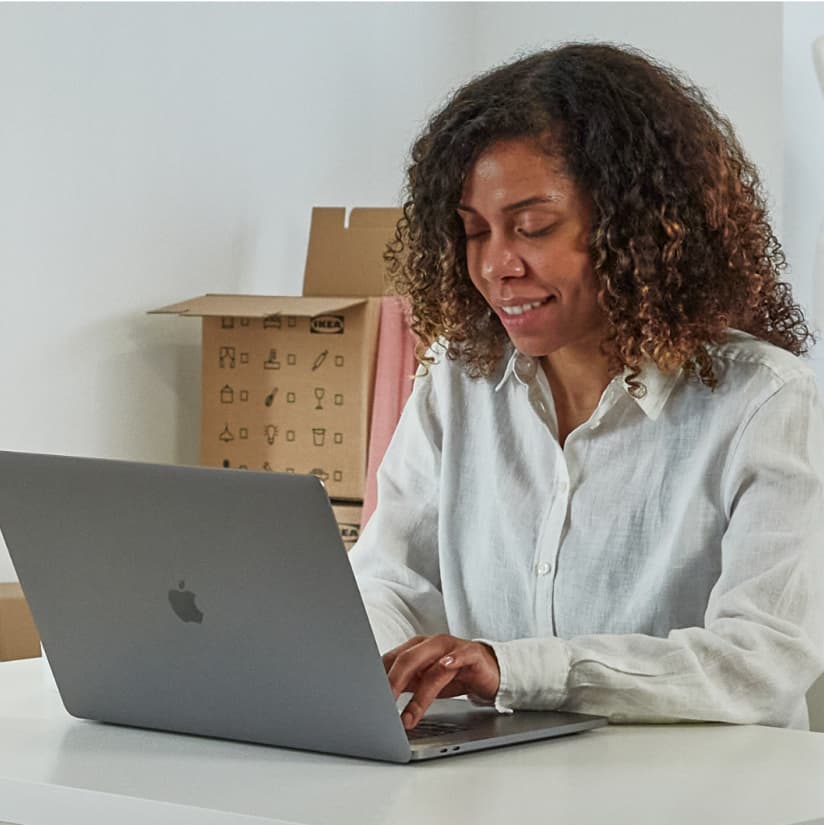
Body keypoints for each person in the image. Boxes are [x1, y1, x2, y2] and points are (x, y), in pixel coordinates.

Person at [348, 42, 824, 731]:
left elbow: (759, 662)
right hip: (502, 787)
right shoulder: (457, 381)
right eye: (474, 232)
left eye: (533, 227)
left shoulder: (767, 402)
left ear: (639, 226)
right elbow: (390, 581)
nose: (496, 265)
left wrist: (517, 669)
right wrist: (381, 672)